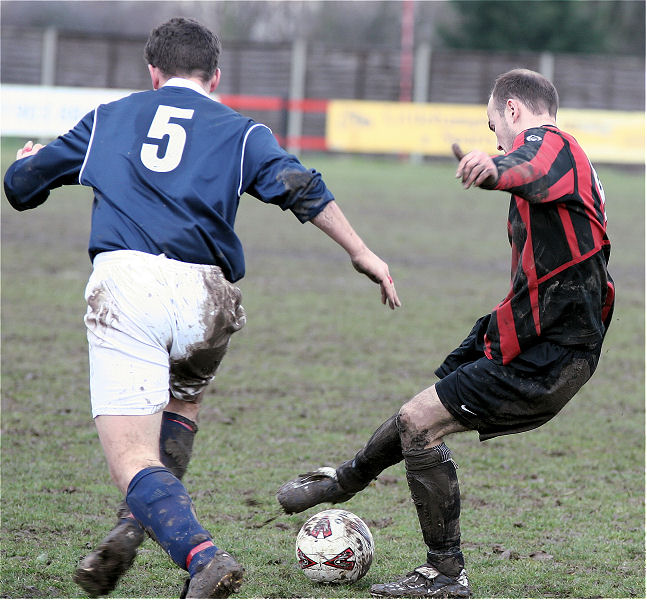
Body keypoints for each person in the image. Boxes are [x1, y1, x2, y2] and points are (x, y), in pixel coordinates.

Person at [3, 17, 401, 599]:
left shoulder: (111, 118)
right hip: (208, 297)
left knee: (132, 458)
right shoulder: (242, 133)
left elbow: (20, 188)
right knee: (181, 405)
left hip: (128, 287)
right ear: (215, 76)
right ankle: (131, 530)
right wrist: (362, 252)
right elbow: (302, 186)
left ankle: (202, 555)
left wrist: (25, 159)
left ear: (153, 71)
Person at [276, 68, 614, 598]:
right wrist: (501, 166)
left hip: (553, 348)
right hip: (530, 333)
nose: (494, 137)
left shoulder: (556, 147)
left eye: (492, 126)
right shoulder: (559, 161)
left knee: (420, 422)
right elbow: (531, 175)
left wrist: (496, 163)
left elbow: (533, 162)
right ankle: (348, 479)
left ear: (513, 111)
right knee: (423, 408)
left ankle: (444, 572)